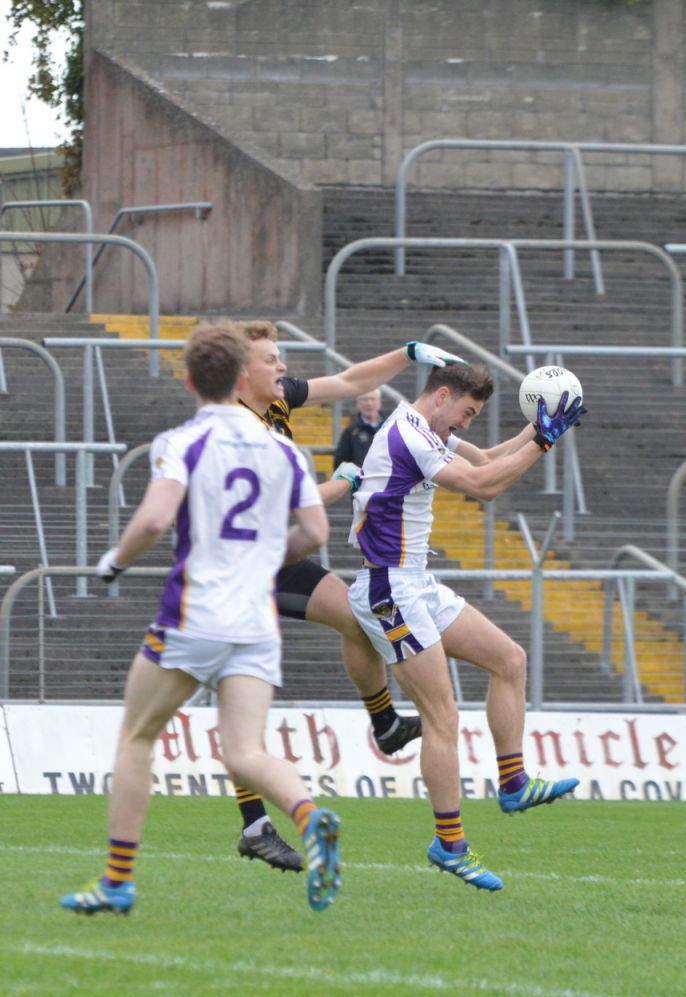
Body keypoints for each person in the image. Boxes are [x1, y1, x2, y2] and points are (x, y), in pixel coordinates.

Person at [60, 324, 340, 916]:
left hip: (196, 615)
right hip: (257, 623)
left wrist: (112, 562)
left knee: (137, 738)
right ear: (242, 377)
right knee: (245, 753)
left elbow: (155, 520)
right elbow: (316, 532)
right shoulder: (286, 449)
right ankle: (311, 817)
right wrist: (267, 555)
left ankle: (116, 882)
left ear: (188, 380)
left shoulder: (181, 441)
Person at [230, 320, 463, 872]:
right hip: (236, 571)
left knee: (357, 614)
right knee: (240, 699)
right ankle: (255, 825)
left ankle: (383, 720)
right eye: (271, 359)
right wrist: (349, 483)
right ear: (242, 373)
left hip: (277, 557)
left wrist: (406, 351)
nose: (283, 367)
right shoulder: (238, 427)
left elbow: (348, 379)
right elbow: (303, 498)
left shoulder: (277, 401)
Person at [347, 362, 585, 891]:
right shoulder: (408, 435)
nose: (469, 425)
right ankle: (449, 843)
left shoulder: (425, 429)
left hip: (414, 583)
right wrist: (542, 444)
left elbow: (486, 459)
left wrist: (539, 426)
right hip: (389, 587)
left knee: (509, 660)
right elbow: (484, 485)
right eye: (468, 413)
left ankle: (514, 782)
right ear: (442, 396)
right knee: (443, 716)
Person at [333, 390, 385, 467]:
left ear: (379, 402)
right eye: (365, 399)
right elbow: (340, 461)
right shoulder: (350, 431)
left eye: (373, 399)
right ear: (358, 403)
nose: (369, 403)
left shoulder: (390, 427)